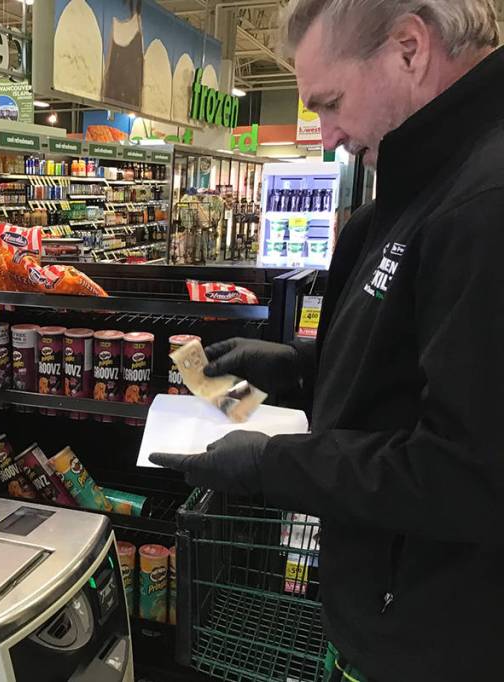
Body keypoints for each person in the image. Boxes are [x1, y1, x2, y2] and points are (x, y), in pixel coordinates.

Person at [150, 1, 503, 680]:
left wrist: (273, 464)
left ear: (409, 47)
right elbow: (421, 375)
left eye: (331, 101)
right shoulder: (426, 183)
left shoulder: (483, 201)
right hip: (397, 616)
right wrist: (304, 370)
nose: (327, 135)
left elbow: (472, 473)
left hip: (445, 640)